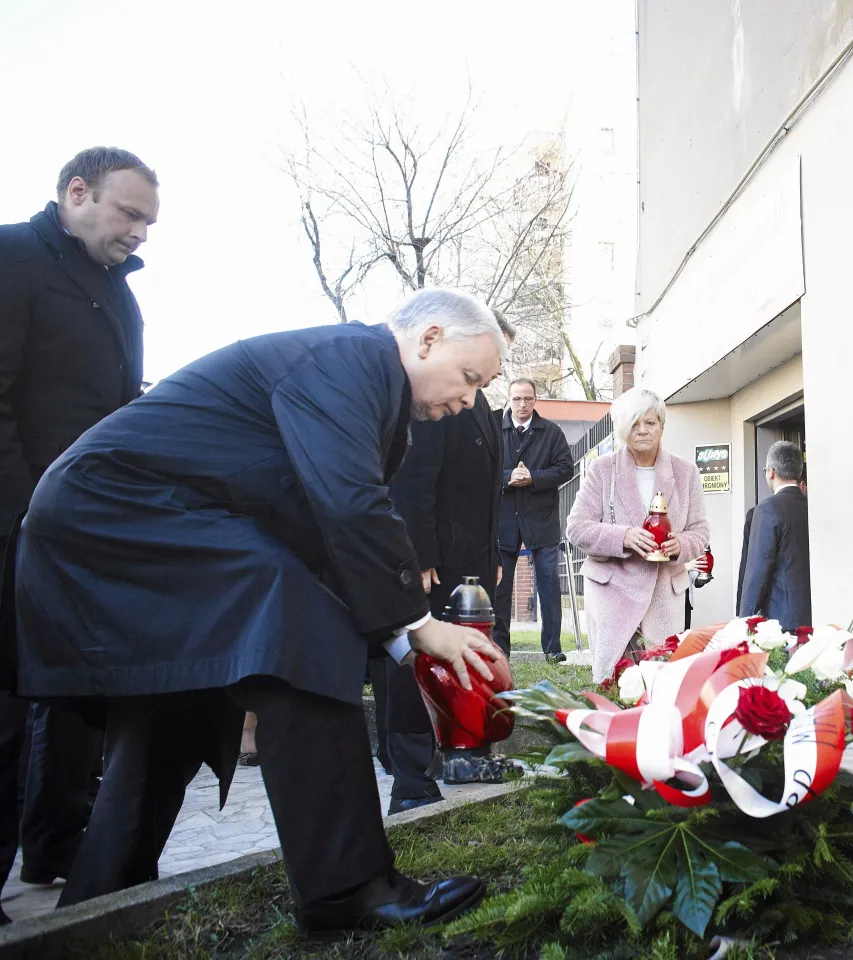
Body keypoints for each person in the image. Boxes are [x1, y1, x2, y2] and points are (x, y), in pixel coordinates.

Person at [2, 288, 508, 933]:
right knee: (304, 637)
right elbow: (349, 507)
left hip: (118, 511)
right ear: (429, 338)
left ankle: (101, 905)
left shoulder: (360, 376)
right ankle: (347, 889)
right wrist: (416, 625)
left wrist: (397, 642)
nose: (468, 402)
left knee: (178, 697)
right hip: (121, 510)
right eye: (469, 379)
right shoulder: (352, 359)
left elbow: (319, 532)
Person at [0, 147, 160, 914]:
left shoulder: (120, 296)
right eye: (130, 214)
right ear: (76, 193)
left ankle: (55, 845)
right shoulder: (11, 258)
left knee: (72, 696)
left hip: (82, 537)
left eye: (149, 222)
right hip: (15, 527)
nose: (141, 234)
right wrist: (26, 513)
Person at [373, 311, 515, 803]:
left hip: (472, 560)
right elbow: (414, 476)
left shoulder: (479, 402)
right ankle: (410, 774)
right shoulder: (436, 395)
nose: (490, 375)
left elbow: (488, 492)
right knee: (414, 660)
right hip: (433, 560)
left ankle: (461, 750)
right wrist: (421, 553)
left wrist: (493, 550)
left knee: (462, 663)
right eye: (483, 366)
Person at [566, 388, 710, 683]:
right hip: (612, 591)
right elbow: (576, 527)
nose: (642, 430)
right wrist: (624, 537)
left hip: (663, 594)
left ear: (662, 426)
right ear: (621, 429)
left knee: (661, 683)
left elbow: (700, 531)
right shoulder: (601, 469)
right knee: (615, 683)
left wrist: (679, 545)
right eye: (633, 423)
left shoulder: (686, 472)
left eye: (650, 423)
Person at [493, 379, 572, 660]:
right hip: (503, 522)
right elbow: (480, 470)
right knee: (501, 588)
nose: (522, 404)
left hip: (542, 520)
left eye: (527, 398)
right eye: (517, 399)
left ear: (535, 399)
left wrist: (533, 477)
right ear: (509, 400)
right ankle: (500, 650)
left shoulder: (551, 432)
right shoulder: (495, 429)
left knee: (549, 584)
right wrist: (507, 478)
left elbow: (565, 469)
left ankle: (553, 649)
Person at [738, 441, 812, 631]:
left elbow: (757, 572)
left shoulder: (766, 510)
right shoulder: (811, 507)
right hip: (816, 616)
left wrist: (744, 622)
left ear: (771, 471)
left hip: (782, 622)